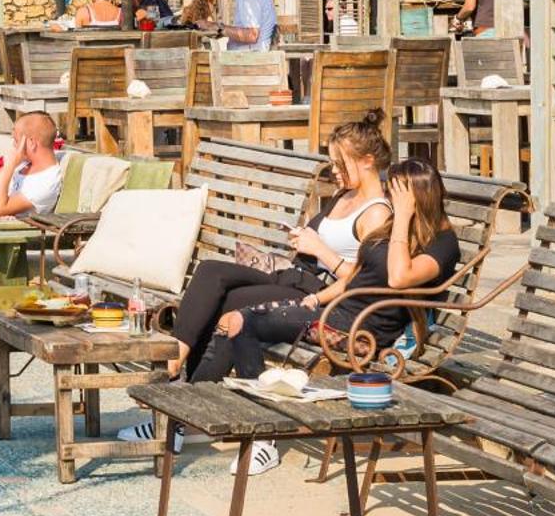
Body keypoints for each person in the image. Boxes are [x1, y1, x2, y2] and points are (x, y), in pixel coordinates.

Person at [118, 113, 393, 451]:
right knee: (210, 272)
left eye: (341, 163)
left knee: (230, 304)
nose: (334, 169)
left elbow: (364, 278)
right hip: (294, 276)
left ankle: (180, 407)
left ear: (367, 162)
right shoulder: (343, 195)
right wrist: (303, 238)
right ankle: (177, 376)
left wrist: (318, 247)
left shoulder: (378, 212)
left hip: (319, 296)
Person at [181, 159, 462, 475]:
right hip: (334, 312)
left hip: (362, 331)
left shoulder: (443, 243)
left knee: (243, 321)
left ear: (416, 196)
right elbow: (356, 276)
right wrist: (316, 297)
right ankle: (189, 416)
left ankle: (262, 434)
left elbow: (398, 277)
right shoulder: (396, 228)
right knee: (235, 319)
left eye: (396, 192)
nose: (389, 197)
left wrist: (402, 219)